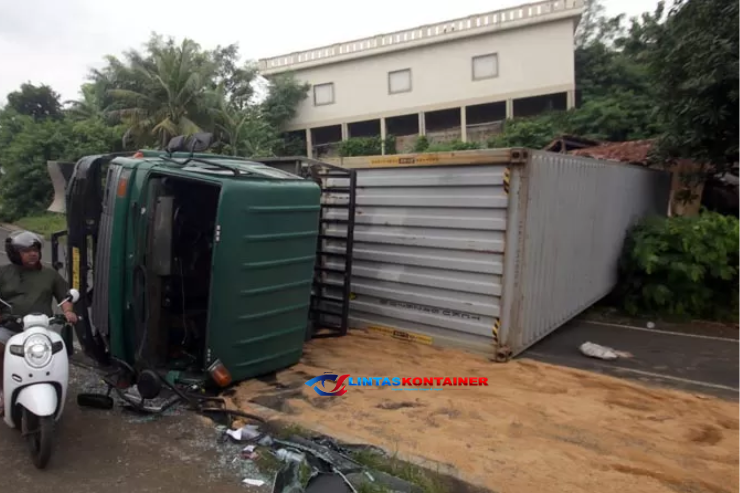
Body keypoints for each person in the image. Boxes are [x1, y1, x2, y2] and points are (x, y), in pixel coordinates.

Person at [0, 230, 78, 415]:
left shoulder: (49, 274)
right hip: (9, 327)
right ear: (15, 253)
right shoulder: (3, 273)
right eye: (26, 250)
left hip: (42, 328)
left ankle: (54, 388)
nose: (33, 253)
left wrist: (68, 312)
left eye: (35, 249)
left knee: (57, 353)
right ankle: (2, 392)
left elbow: (65, 297)